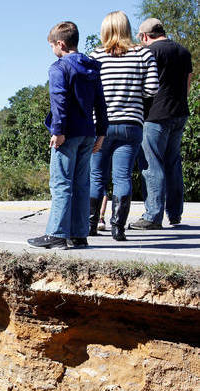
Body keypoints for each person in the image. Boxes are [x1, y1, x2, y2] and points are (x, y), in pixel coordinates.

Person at [28, 21, 108, 249]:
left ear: (60, 44)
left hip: (68, 134)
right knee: (82, 183)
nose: (52, 50)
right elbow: (101, 103)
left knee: (61, 183)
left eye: (52, 45)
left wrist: (58, 130)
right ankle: (79, 234)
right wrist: (101, 132)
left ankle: (56, 234)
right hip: (88, 134)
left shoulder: (58, 67)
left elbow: (59, 100)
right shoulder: (92, 67)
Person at [88, 11, 159, 240]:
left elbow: (88, 93)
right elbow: (152, 90)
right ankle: (118, 228)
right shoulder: (143, 54)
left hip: (101, 125)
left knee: (97, 177)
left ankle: (90, 225)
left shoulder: (95, 56)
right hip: (131, 124)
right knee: (122, 177)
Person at [129, 18, 194, 229]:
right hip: (179, 113)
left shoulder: (150, 52)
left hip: (156, 115)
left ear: (145, 36)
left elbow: (141, 84)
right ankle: (175, 214)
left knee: (151, 164)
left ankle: (153, 216)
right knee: (173, 163)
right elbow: (188, 84)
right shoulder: (183, 51)